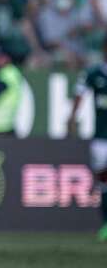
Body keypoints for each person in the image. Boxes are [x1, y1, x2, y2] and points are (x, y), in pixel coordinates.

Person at [68, 37, 107, 242]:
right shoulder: (94, 74)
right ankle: (106, 224)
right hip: (101, 139)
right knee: (104, 183)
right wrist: (72, 117)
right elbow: (79, 93)